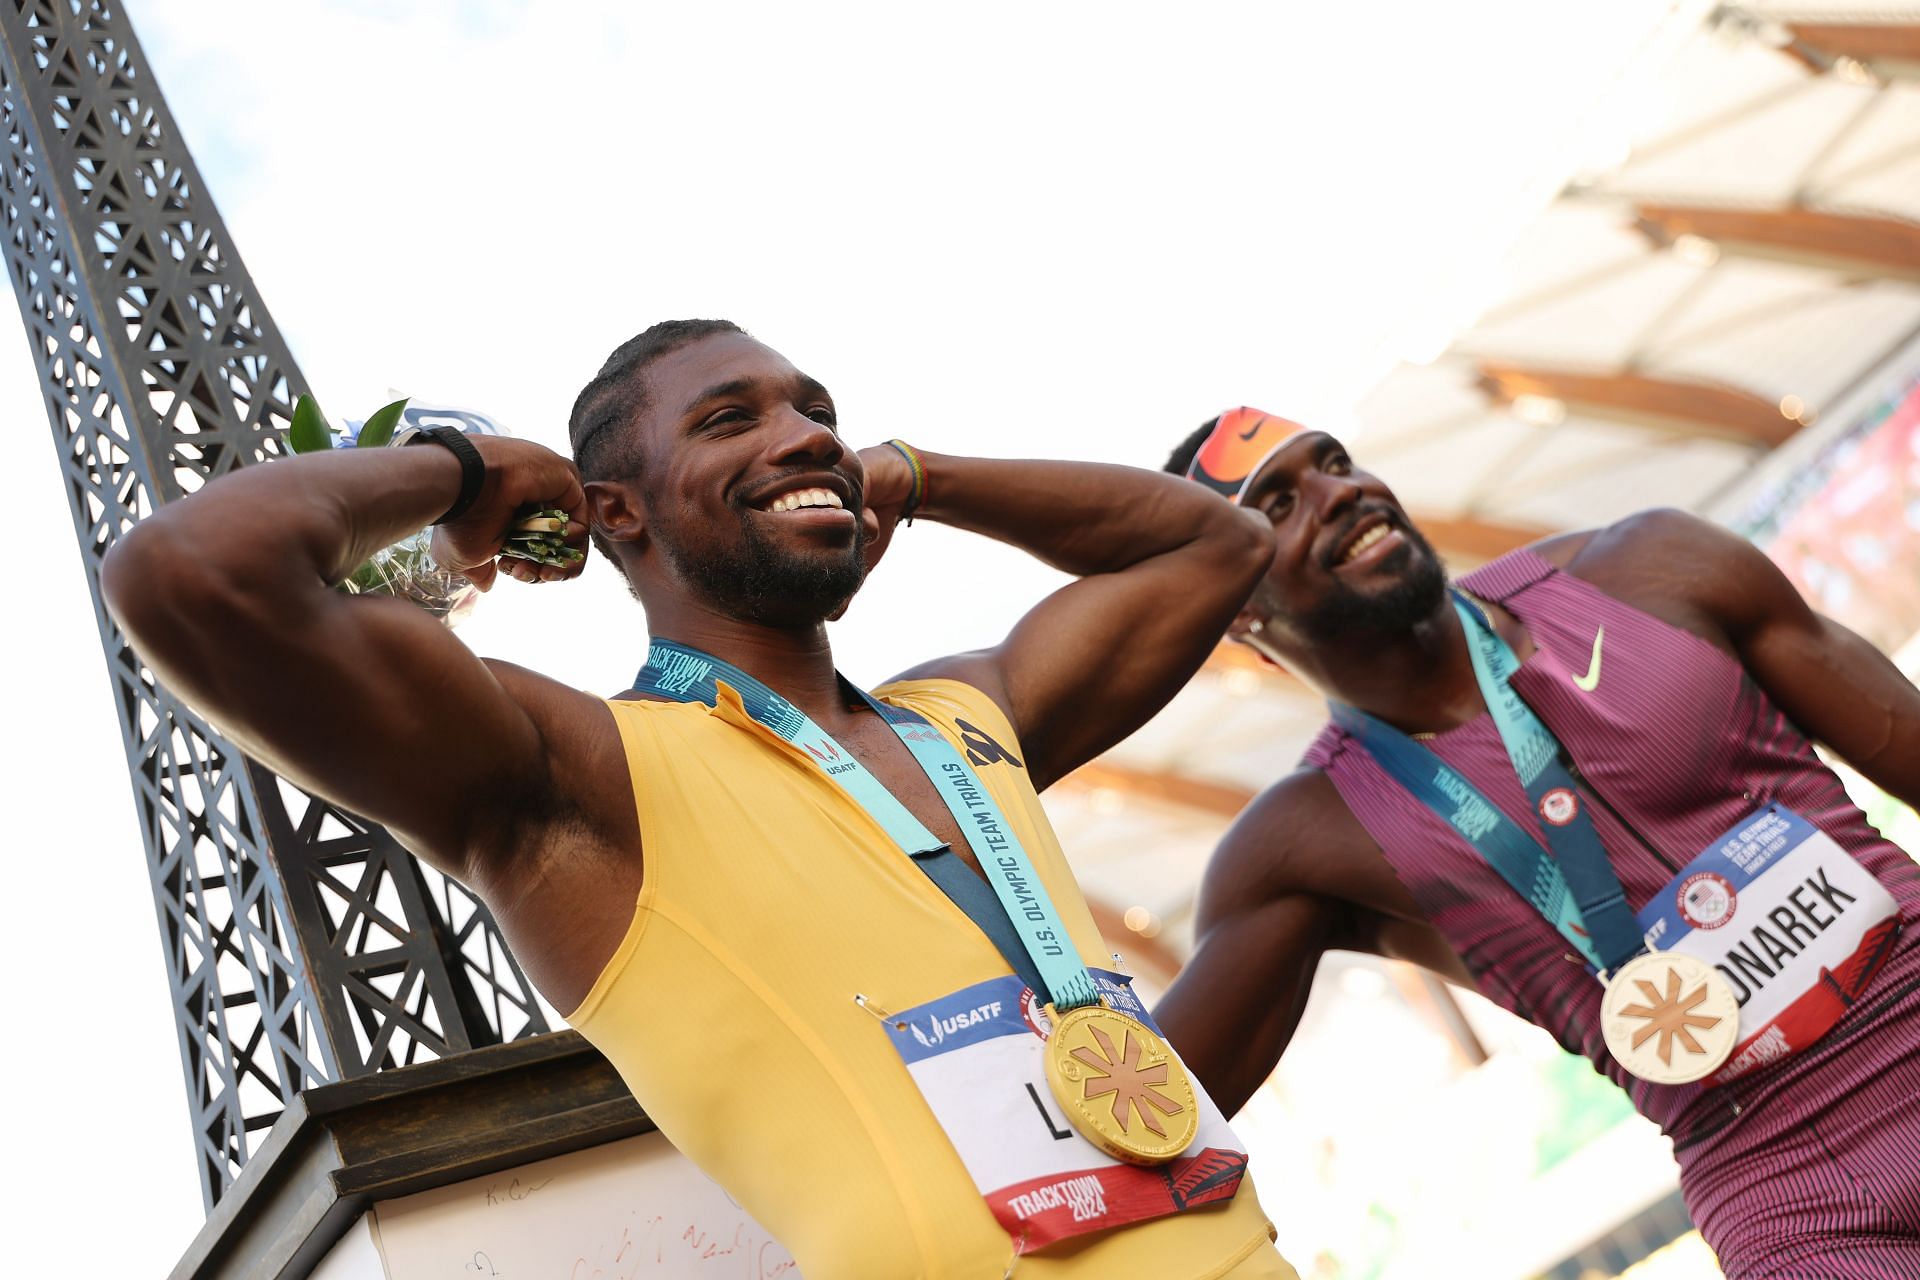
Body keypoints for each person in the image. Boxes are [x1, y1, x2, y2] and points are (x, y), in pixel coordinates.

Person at [100, 321, 1296, 1279]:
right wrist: (468, 469)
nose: (803, 434)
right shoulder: (574, 777)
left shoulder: (966, 713)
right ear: (616, 508)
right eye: (733, 419)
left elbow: (1214, 546)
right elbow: (190, 572)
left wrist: (915, 474)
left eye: (815, 411)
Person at [1153, 406, 1920, 1278]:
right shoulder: (1302, 845)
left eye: (1335, 462)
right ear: (1234, 607)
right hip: (1793, 1189)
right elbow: (1141, 1130)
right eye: (1279, 504)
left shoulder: (1650, 569)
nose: (1341, 493)